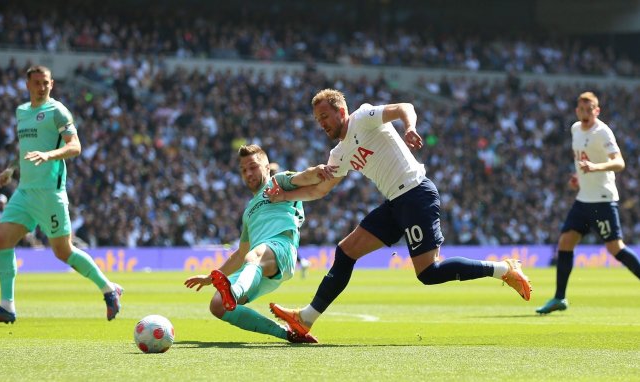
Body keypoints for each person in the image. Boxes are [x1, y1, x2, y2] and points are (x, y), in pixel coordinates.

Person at [267, 88, 532, 336]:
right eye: (317, 119)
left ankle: (504, 269)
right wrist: (284, 197)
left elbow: (404, 106)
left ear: (341, 111)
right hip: (395, 202)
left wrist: (410, 128)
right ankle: (306, 319)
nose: (321, 123)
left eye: (324, 116)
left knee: (428, 273)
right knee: (346, 251)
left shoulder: (363, 117)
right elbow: (319, 190)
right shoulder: (338, 154)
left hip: (416, 193)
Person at [0, 65, 123, 324]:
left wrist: (49, 155)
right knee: (1, 240)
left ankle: (108, 289)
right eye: (36, 83)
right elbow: (24, 147)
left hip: (49, 193)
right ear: (27, 85)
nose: (41, 87)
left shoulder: (57, 111)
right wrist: (11, 168)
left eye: (45, 83)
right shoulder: (22, 112)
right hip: (24, 192)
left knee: (63, 251)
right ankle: (7, 306)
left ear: (51, 84)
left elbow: (75, 146)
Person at [184, 144, 336, 343]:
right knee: (217, 305)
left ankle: (233, 292)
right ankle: (288, 333)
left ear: (266, 167)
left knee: (253, 256)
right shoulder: (248, 212)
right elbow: (240, 254)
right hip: (257, 265)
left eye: (253, 167)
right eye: (243, 170)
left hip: (281, 247)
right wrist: (210, 277)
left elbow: (305, 177)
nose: (248, 173)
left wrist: (318, 172)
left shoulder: (278, 182)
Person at [536, 92, 640, 314]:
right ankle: (559, 298)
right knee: (565, 242)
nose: (585, 113)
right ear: (576, 111)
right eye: (581, 109)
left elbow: (619, 162)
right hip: (583, 199)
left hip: (602, 199)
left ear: (597, 110)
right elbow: (581, 160)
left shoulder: (602, 132)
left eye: (589, 109)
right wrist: (579, 177)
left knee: (615, 248)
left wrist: (595, 167)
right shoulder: (575, 129)